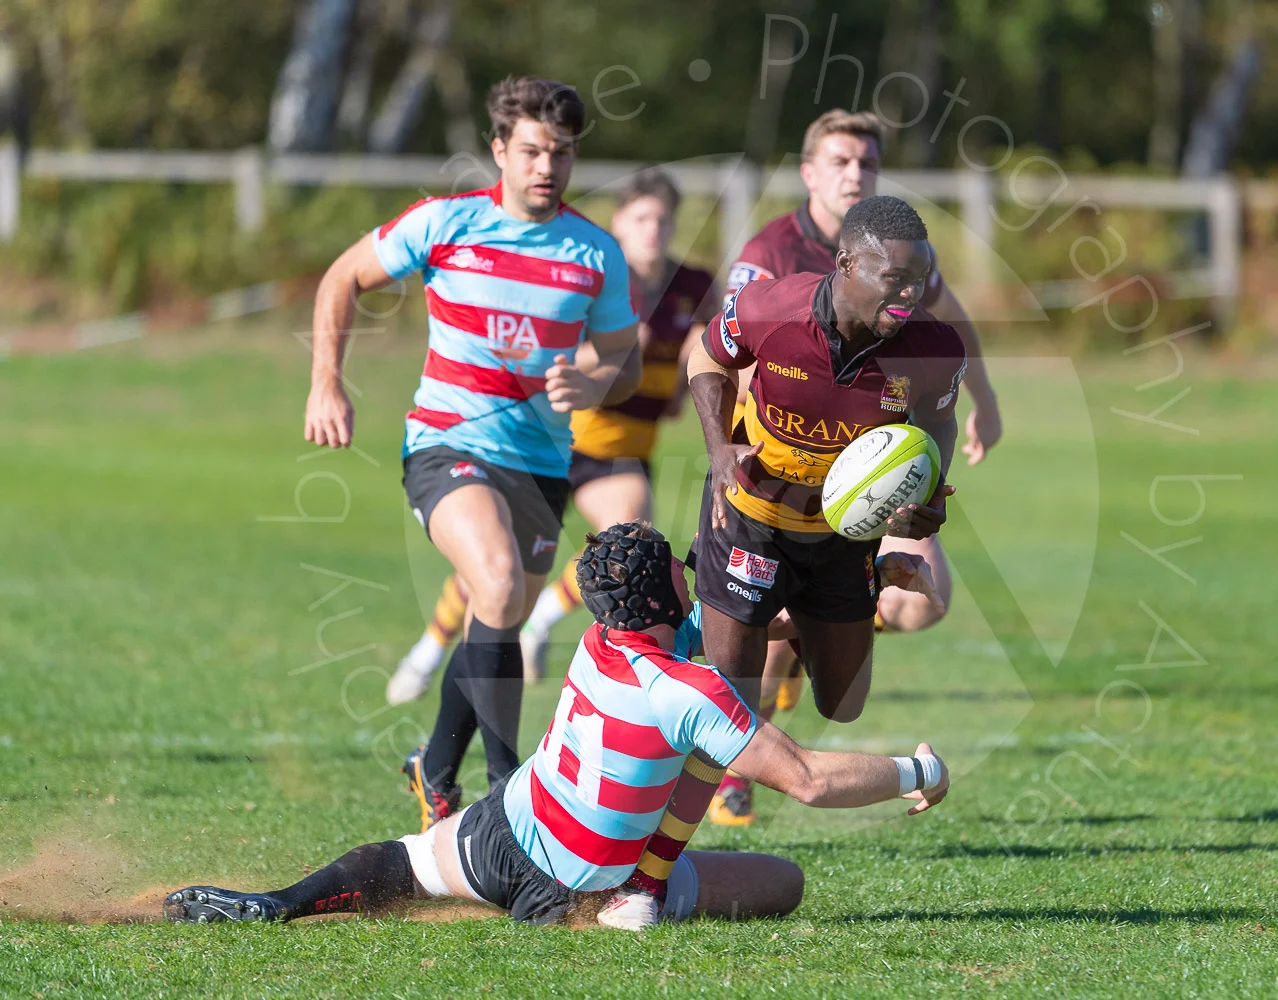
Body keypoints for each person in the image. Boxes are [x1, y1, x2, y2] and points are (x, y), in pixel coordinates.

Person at [162, 524, 949, 930]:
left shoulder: (604, 641)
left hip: (503, 831)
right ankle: (632, 900)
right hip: (580, 887)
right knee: (785, 880)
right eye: (677, 563)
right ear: (665, 596)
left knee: (400, 864)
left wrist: (847, 596)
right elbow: (808, 781)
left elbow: (753, 627)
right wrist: (919, 773)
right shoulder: (688, 690)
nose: (687, 567)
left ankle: (280, 903)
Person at [303, 76, 641, 832]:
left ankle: (434, 768)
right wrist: (327, 384)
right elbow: (341, 277)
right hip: (445, 444)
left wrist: (592, 382)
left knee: (500, 609)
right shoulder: (446, 224)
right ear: (499, 151)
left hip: (543, 465)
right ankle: (506, 792)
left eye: (560, 152)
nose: (545, 167)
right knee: (492, 582)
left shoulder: (596, 253)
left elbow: (625, 359)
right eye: (530, 151)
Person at [707, 109, 1002, 826]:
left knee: (914, 603)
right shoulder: (771, 256)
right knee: (732, 684)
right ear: (810, 172)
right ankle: (737, 697)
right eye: (840, 161)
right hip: (770, 476)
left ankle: (793, 630)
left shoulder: (903, 263)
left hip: (856, 488)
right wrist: (728, 451)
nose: (854, 173)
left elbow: (943, 324)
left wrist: (977, 407)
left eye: (865, 163)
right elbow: (726, 354)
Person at [386, 169, 717, 702]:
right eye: (641, 218)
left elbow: (703, 354)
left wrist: (692, 375)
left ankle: (540, 625)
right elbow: (555, 358)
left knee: (628, 534)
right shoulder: (600, 278)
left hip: (628, 447)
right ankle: (427, 651)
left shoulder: (694, 286)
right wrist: (614, 353)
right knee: (498, 565)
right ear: (620, 224)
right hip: (565, 441)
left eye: (663, 219)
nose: (653, 230)